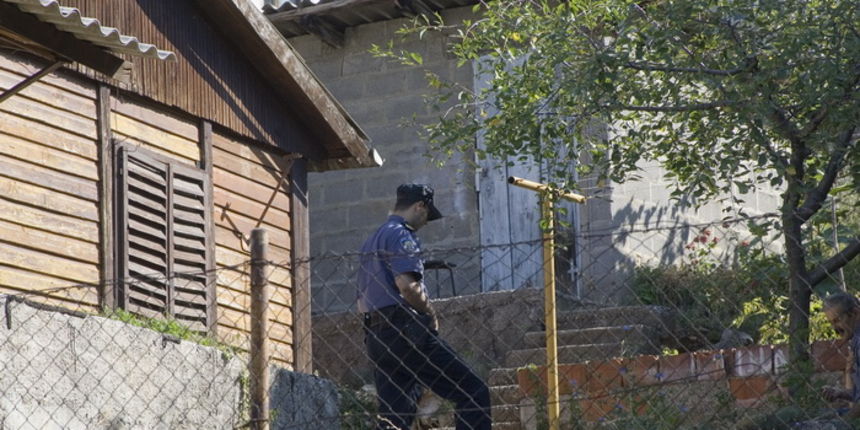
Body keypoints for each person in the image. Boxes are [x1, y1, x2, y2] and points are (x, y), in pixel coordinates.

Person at [357, 184, 491, 430]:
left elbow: (361, 300)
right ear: (420, 206)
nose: (426, 222)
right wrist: (430, 313)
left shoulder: (371, 240)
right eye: (428, 214)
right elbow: (407, 286)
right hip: (405, 330)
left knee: (394, 415)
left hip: (376, 335)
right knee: (473, 391)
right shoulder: (400, 234)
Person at [821, 292, 860, 419]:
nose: (835, 328)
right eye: (831, 323)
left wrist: (844, 423)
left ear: (855, 312)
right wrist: (841, 393)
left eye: (837, 320)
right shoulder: (855, 341)